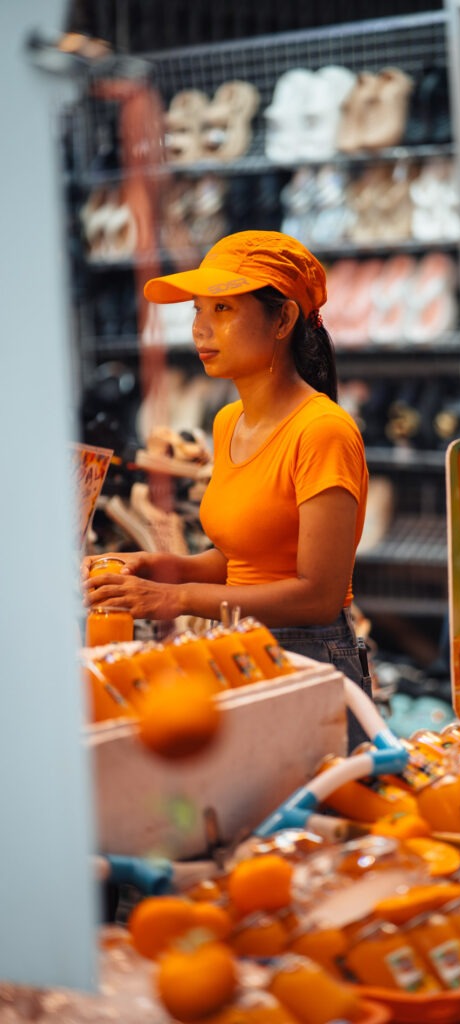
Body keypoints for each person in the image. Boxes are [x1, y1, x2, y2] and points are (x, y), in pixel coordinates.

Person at [83, 230, 372, 747]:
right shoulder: (228, 421)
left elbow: (320, 596)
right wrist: (160, 569)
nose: (201, 330)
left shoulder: (322, 430)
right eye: (197, 310)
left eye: (223, 309)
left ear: (282, 319)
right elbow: (240, 561)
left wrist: (176, 598)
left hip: (308, 655)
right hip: (241, 646)